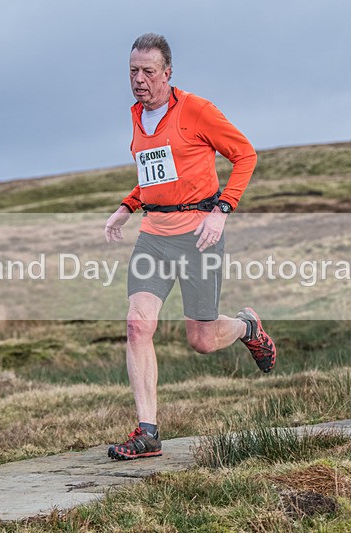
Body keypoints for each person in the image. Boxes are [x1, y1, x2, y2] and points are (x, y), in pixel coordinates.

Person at [104, 33, 277, 460]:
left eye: (148, 72)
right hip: (154, 237)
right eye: (132, 71)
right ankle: (148, 433)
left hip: (199, 234)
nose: (139, 80)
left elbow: (245, 154)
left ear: (167, 73)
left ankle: (246, 327)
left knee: (201, 339)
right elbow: (155, 174)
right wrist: (128, 206)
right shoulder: (136, 118)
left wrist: (222, 209)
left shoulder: (196, 110)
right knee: (137, 324)